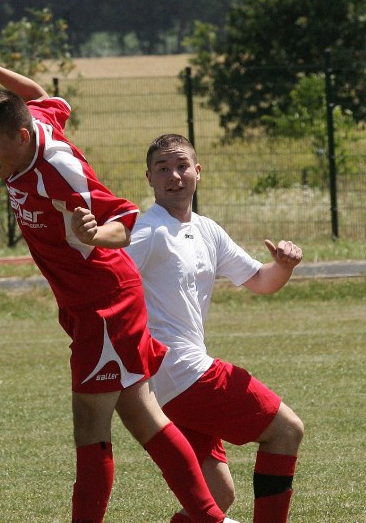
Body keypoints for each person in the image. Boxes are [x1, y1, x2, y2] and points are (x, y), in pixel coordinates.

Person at [0, 38, 239, 523]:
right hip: (89, 301)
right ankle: (213, 518)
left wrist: (98, 233)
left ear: (21, 138)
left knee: (91, 427)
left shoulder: (58, 170)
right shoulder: (35, 122)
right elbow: (35, 93)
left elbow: (127, 217)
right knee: (142, 415)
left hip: (105, 302)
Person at [124, 133, 305, 523]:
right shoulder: (149, 230)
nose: (174, 175)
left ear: (198, 172)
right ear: (149, 179)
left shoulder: (207, 230)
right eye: (163, 169)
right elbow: (110, 279)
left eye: (182, 166)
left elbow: (261, 280)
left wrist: (284, 267)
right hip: (183, 371)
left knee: (216, 498)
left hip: (172, 382)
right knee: (287, 430)